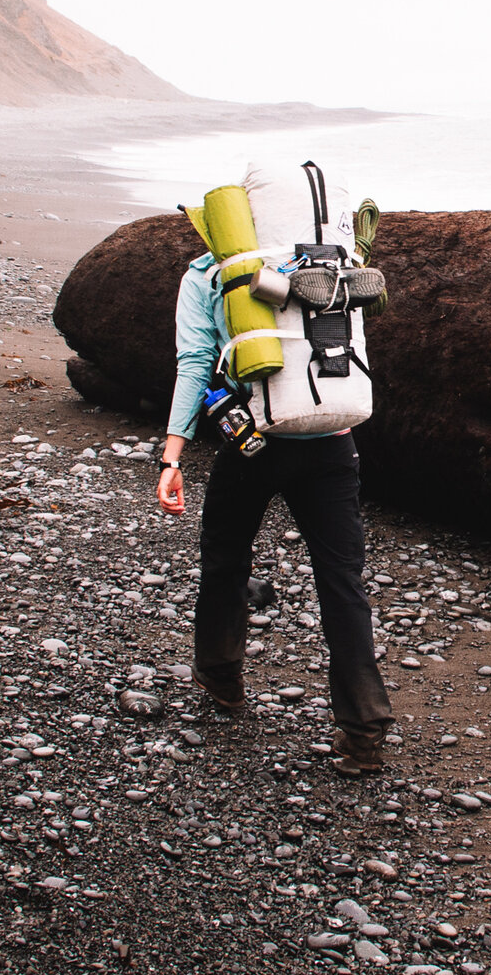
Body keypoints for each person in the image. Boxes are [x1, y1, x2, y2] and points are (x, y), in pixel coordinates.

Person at [155, 254, 392, 777]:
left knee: (226, 558)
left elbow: (195, 362)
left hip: (252, 441)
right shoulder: (331, 262)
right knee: (342, 583)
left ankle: (221, 674)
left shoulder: (208, 275)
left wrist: (173, 456)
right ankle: (364, 730)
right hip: (332, 441)